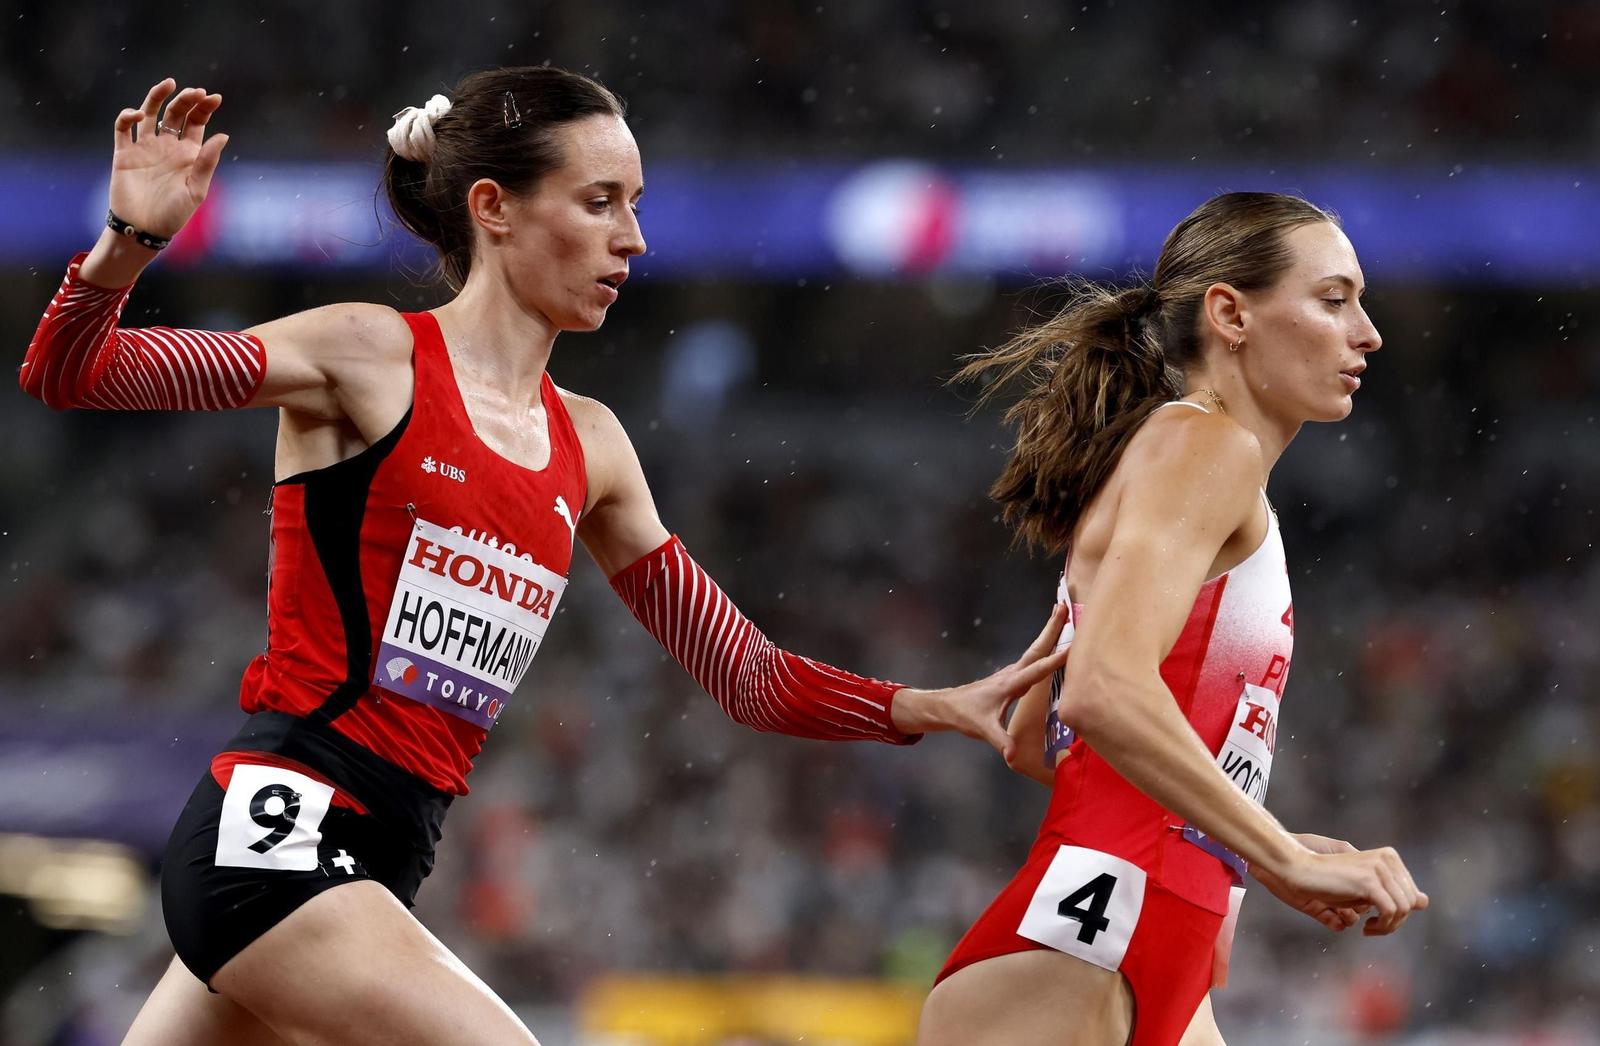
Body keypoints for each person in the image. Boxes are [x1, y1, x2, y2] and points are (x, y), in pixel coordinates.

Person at [19, 70, 1072, 1046]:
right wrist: (127, 239)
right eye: (601, 201)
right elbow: (73, 371)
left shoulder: (594, 446)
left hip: (381, 865)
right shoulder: (366, 356)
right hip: (278, 840)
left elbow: (746, 676)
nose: (637, 240)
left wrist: (936, 705)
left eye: (639, 202)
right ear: (494, 208)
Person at [914, 193, 1430, 1046]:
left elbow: (1038, 739)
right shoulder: (1204, 445)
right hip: (1089, 939)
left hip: (1153, 935)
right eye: (1335, 299)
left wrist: (1255, 838)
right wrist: (1279, 854)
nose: (1367, 332)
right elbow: (1101, 694)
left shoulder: (1189, 464)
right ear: (1230, 313)